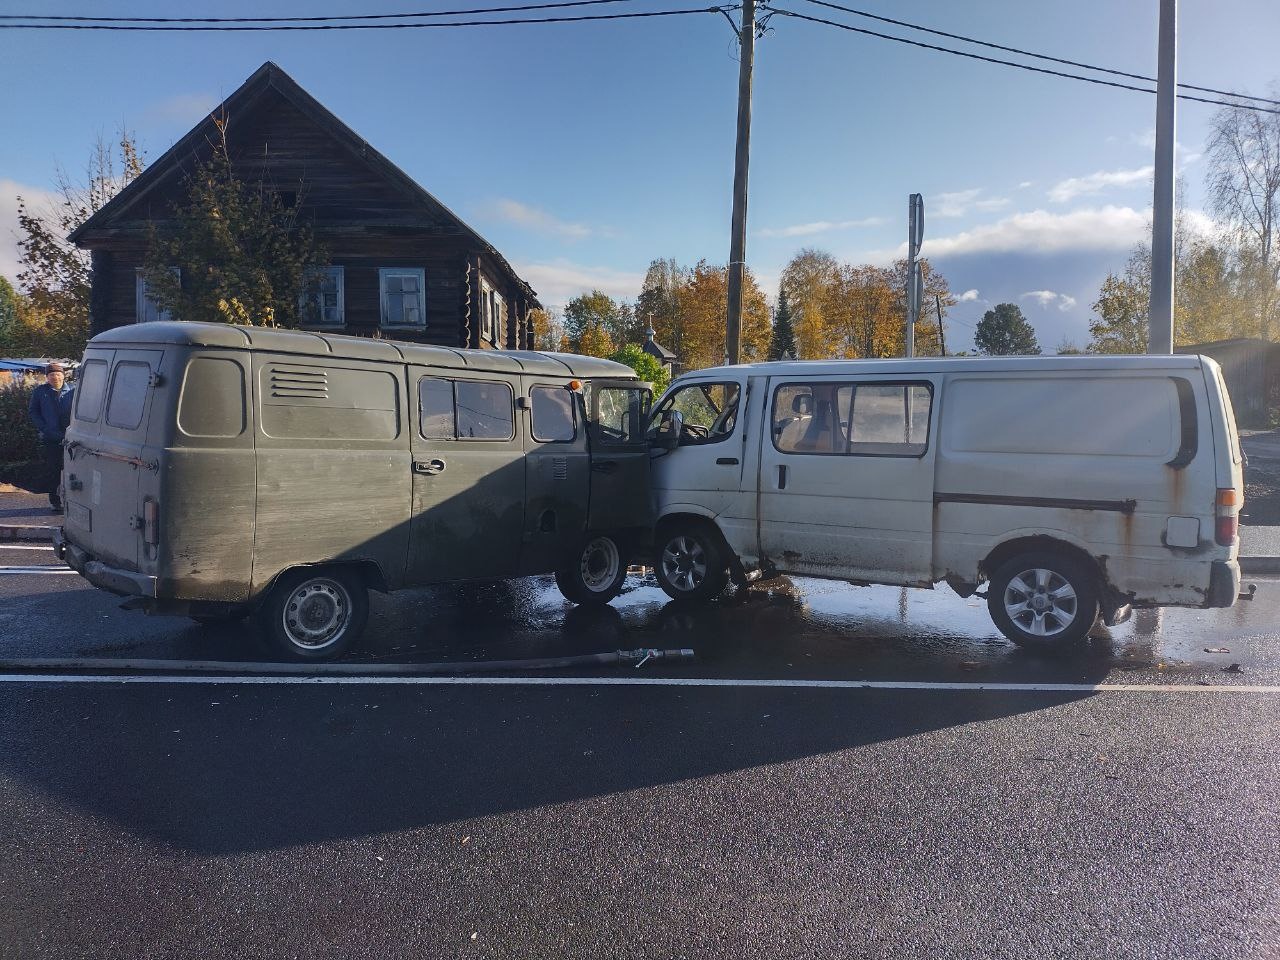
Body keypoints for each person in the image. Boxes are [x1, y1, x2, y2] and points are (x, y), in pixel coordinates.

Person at [28, 362, 74, 513]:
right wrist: (44, 428)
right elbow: (33, 412)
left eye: (58, 374)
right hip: (51, 437)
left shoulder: (73, 390)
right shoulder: (40, 391)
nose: (55, 377)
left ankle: (74, 500)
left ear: (63, 375)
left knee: (74, 469)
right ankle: (55, 501)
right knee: (53, 470)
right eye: (51, 375)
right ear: (47, 377)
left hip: (72, 437)